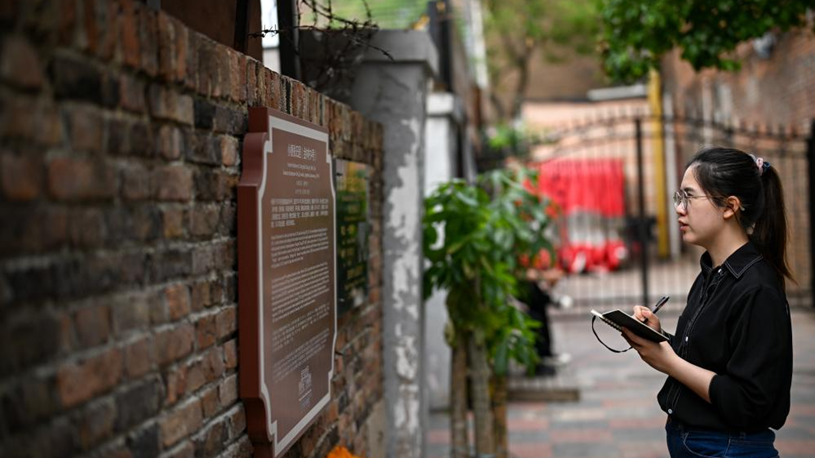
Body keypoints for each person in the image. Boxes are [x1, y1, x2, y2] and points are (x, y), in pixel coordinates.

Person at [622, 147, 793, 458]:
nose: (679, 209)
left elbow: (749, 401)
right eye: (679, 197)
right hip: (702, 444)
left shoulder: (757, 289)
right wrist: (661, 339)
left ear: (729, 207)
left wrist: (668, 362)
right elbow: (710, 360)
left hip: (729, 448)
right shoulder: (713, 272)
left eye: (689, 197)